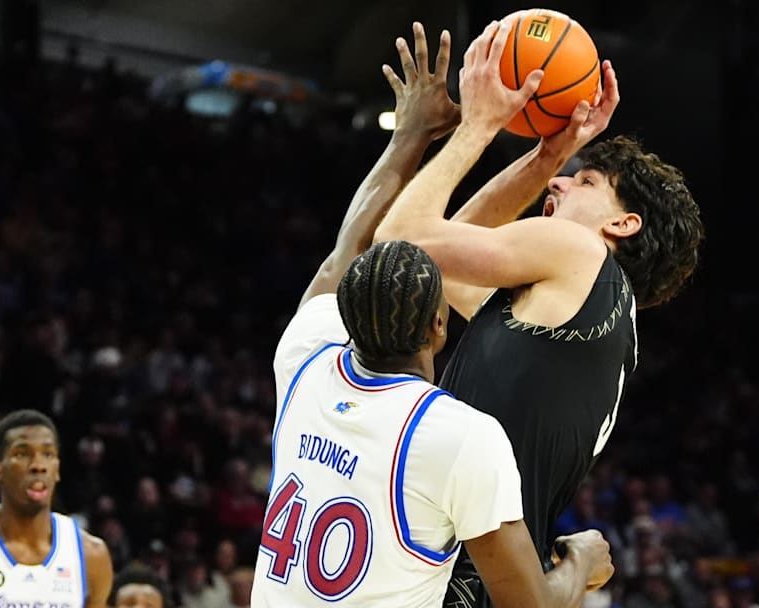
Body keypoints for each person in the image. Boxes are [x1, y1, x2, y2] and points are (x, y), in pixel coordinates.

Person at [250, 23, 613, 607]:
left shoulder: (304, 364)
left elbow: (346, 253)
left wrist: (410, 136)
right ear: (441, 325)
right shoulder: (457, 436)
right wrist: (580, 564)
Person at [374, 17, 704, 607]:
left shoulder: (579, 253)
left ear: (622, 224)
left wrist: (479, 124)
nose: (558, 186)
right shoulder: (580, 317)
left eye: (585, 181)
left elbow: (399, 244)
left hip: (452, 578)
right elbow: (448, 249)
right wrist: (549, 153)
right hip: (485, 583)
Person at [0, 408, 114, 607]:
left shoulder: (91, 555)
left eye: (47, 454)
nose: (38, 465)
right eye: (22, 454)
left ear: (56, 469)